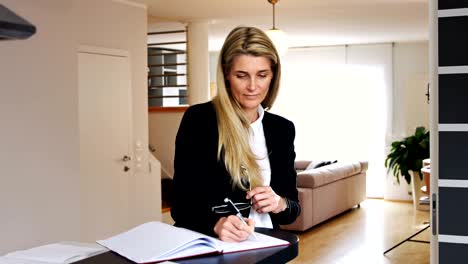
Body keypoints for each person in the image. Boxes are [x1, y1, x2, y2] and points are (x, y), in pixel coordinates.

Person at [171, 26, 300, 242]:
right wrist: (215, 223)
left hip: (268, 248)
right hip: (216, 250)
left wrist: (279, 203)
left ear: (273, 76)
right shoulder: (199, 120)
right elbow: (181, 205)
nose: (252, 86)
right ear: (226, 75)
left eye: (262, 75)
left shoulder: (282, 129)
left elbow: (292, 210)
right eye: (241, 75)